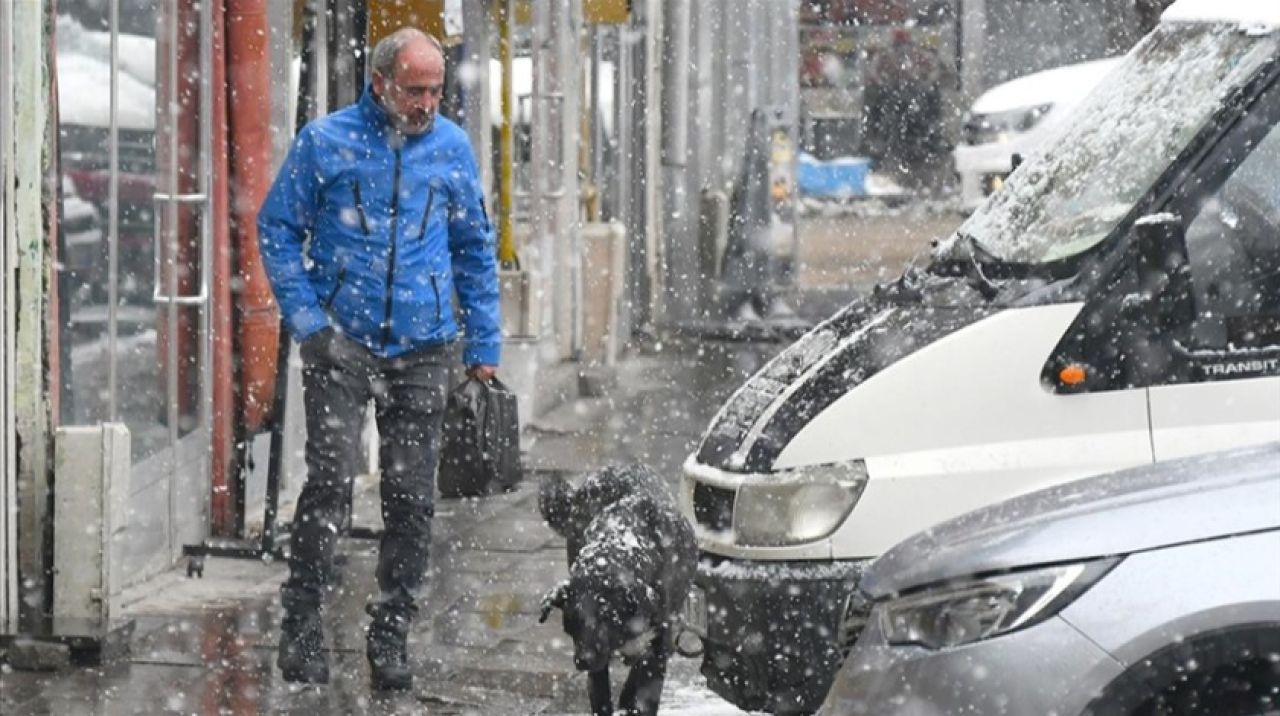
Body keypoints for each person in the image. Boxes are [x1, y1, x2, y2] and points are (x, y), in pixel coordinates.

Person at [257, 27, 500, 691]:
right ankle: (302, 620)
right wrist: (310, 322)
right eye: (415, 90)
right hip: (343, 341)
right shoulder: (326, 142)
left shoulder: (451, 148)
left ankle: (390, 634)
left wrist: (483, 345)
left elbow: (475, 248)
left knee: (411, 500)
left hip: (425, 347)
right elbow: (276, 228)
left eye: (436, 90)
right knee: (330, 483)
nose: (427, 103)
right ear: (380, 84)